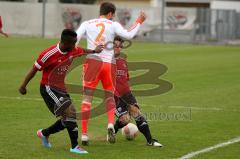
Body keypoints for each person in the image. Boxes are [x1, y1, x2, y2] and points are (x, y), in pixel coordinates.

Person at [19, 29, 103, 154]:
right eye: (73, 44)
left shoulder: (72, 49)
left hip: (61, 88)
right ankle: (74, 146)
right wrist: (23, 86)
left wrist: (94, 51)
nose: (75, 46)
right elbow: (34, 69)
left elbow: (82, 50)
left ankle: (44, 133)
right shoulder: (48, 54)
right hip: (48, 88)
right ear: (65, 43)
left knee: (67, 119)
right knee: (70, 112)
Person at [76, 2, 146, 145]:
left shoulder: (87, 23)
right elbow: (129, 34)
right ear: (110, 13)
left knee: (86, 99)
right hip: (108, 64)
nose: (113, 17)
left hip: (92, 63)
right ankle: (109, 124)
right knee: (109, 96)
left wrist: (83, 51)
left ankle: (84, 134)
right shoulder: (112, 24)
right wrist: (139, 21)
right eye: (113, 15)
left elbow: (74, 40)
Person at [113, 36, 163, 147]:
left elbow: (126, 79)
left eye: (120, 46)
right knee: (125, 120)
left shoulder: (122, 62)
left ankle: (150, 141)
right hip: (114, 96)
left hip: (127, 94)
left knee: (137, 114)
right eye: (115, 46)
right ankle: (114, 130)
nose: (118, 48)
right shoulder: (105, 62)